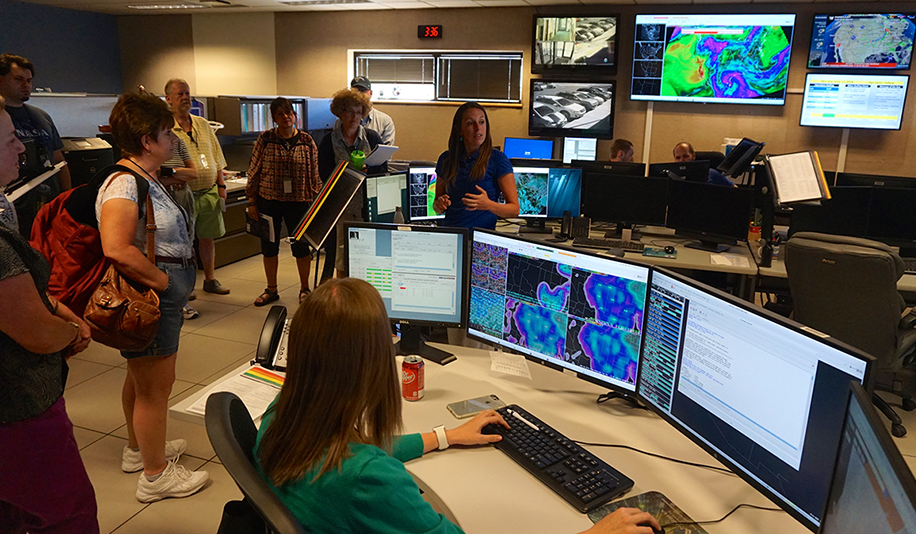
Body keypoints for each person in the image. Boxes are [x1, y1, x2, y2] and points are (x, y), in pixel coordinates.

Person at [253, 278, 662, 534]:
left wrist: (444, 436)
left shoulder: (281, 417)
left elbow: (355, 454)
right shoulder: (368, 479)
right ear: (374, 364)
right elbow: (364, 467)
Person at [97, 91, 209, 502]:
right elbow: (117, 246)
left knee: (140, 375)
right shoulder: (125, 183)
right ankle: (155, 475)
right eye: (167, 132)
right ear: (147, 140)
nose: (173, 139)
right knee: (155, 387)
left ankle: (138, 449)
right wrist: (163, 283)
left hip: (162, 288)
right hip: (152, 292)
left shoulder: (145, 178)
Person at [0, 94, 99, 533]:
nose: (21, 147)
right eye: (7, 141)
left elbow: (31, 291)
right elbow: (36, 333)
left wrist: (59, 311)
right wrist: (72, 330)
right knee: (63, 511)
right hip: (17, 408)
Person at [246, 97, 322, 306]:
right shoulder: (266, 139)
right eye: (280, 114)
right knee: (269, 246)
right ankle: (271, 290)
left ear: (294, 115)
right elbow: (254, 169)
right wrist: (252, 200)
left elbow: (315, 174)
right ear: (274, 118)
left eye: (289, 112)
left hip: (299, 201)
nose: (286, 117)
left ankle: (304, 288)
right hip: (268, 200)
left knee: (301, 246)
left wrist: (316, 202)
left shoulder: (307, 141)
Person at [164, 78, 231, 296]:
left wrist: (221, 185)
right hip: (182, 194)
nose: (185, 98)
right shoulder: (165, 128)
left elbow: (217, 157)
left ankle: (210, 279)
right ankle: (187, 284)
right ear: (168, 100)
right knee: (183, 242)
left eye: (187, 94)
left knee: (207, 238)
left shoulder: (202, 124)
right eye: (180, 94)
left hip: (209, 191)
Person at [0, 54, 72, 237]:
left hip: (48, 207)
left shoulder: (42, 117)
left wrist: (67, 198)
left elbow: (59, 161)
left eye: (29, 81)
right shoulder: (2, 119)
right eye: (18, 79)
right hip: (14, 209)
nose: (26, 85)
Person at [317, 88, 383, 282]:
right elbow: (324, 176)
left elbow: (383, 172)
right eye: (349, 111)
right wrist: (349, 173)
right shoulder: (329, 141)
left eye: (358, 111)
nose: (354, 116)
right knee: (342, 256)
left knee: (369, 256)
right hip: (341, 207)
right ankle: (343, 296)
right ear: (340, 113)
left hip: (368, 207)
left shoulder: (372, 138)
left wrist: (368, 171)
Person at [433, 102, 519, 230]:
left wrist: (488, 205)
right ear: (460, 130)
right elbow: (437, 207)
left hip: (481, 239)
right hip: (451, 236)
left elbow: (514, 209)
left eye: (482, 122)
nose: (478, 128)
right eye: (470, 123)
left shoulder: (497, 159)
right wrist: (440, 204)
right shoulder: (446, 159)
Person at [159, 136, 200, 319]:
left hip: (183, 194)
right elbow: (154, 174)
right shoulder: (152, 145)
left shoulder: (178, 142)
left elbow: (193, 173)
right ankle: (178, 299)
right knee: (168, 246)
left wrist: (170, 172)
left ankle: (183, 293)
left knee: (187, 242)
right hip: (163, 194)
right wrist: (175, 174)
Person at [346, 75, 396, 145]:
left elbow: (386, 152)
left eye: (362, 91)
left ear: (371, 93)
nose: (359, 95)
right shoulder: (342, 120)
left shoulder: (385, 121)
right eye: (355, 91)